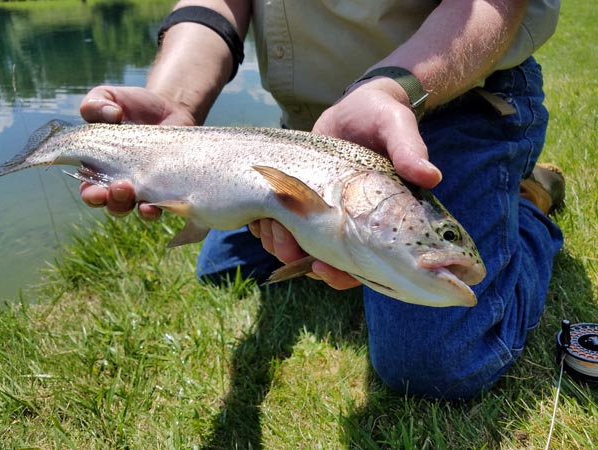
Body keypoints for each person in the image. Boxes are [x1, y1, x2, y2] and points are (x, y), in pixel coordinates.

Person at [79, 0, 564, 400]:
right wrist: (177, 104)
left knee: (435, 361)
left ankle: (526, 205)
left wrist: (396, 88)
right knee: (220, 268)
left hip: (455, 94)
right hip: (320, 139)